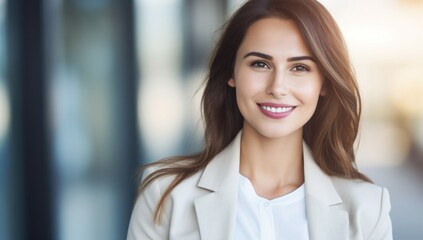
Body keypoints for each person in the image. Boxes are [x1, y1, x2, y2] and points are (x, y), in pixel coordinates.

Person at [127, 0, 393, 239]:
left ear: (323, 82)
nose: (277, 87)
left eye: (299, 68)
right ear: (232, 72)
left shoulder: (367, 208)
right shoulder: (166, 195)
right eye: (260, 64)